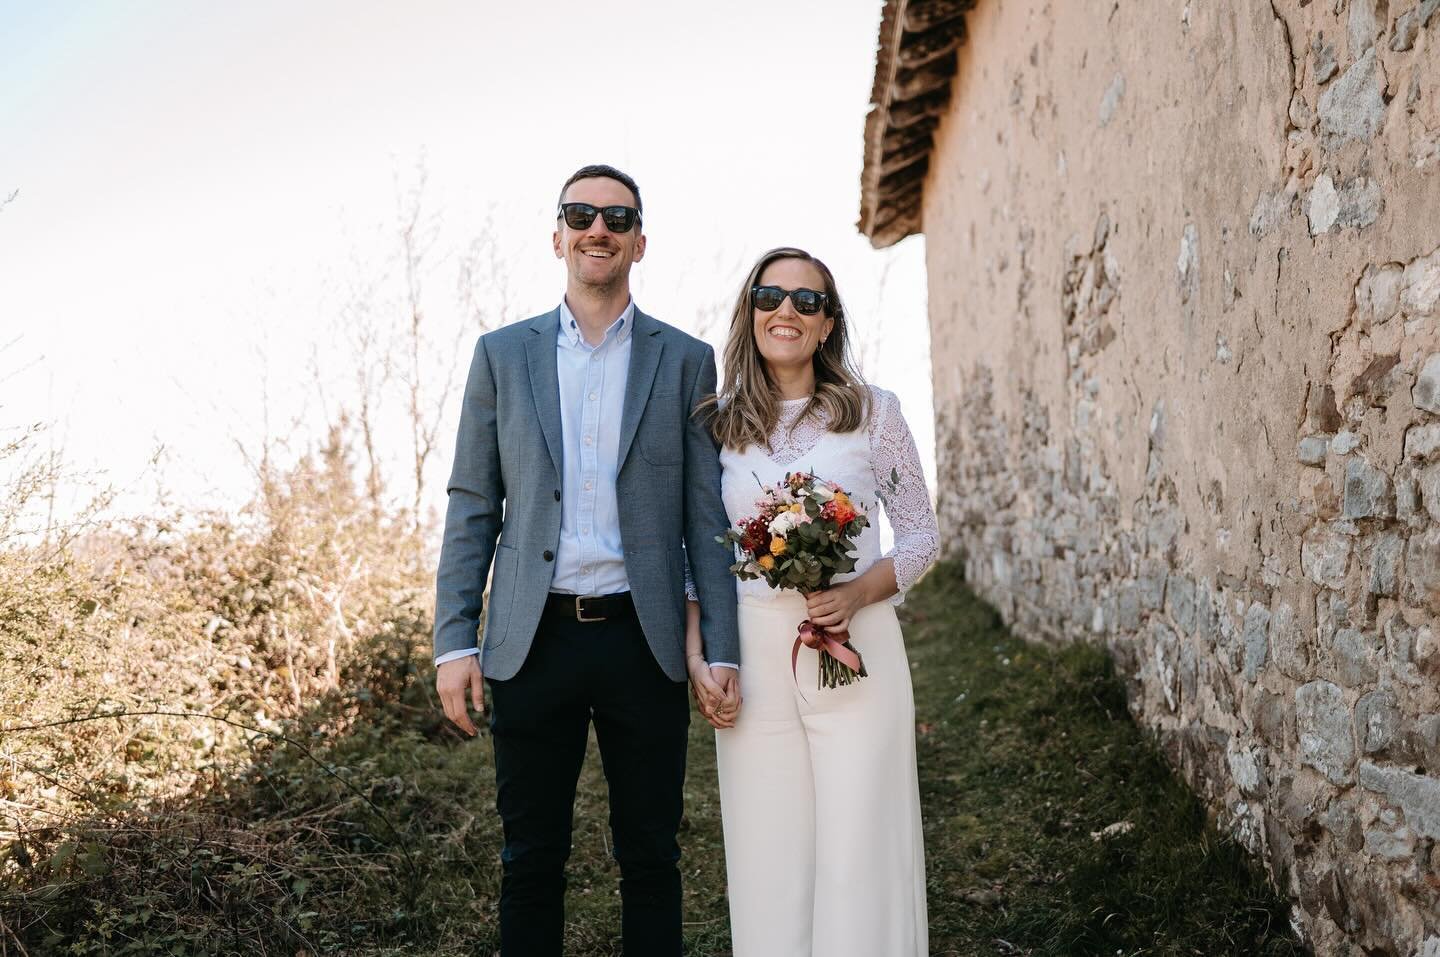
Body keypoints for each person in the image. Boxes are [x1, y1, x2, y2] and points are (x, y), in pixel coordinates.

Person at [432, 163, 740, 957]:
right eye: (581, 213)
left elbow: (707, 515)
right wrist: (454, 640)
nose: (597, 227)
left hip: (646, 639)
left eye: (616, 216)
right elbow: (474, 501)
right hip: (532, 639)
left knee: (652, 857)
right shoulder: (502, 355)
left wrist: (724, 648)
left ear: (640, 242)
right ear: (558, 235)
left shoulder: (686, 360)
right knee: (530, 859)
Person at [690, 246, 939, 956]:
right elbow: (696, 553)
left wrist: (858, 591)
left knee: (860, 845)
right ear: (751, 311)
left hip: (858, 649)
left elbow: (921, 533)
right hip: (755, 653)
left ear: (829, 323)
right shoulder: (717, 423)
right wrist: (701, 654)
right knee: (770, 847)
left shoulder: (873, 413)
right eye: (771, 296)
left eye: (807, 300)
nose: (787, 311)